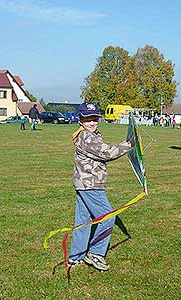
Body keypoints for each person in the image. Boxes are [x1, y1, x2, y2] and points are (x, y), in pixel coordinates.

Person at [68, 102, 133, 271]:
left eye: (94, 118)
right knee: (108, 218)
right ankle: (95, 254)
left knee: (84, 221)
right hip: (90, 185)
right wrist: (129, 144)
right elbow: (108, 153)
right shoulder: (86, 137)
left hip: (83, 183)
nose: (91, 122)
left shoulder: (92, 134)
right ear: (80, 120)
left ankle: (76, 257)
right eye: (87, 119)